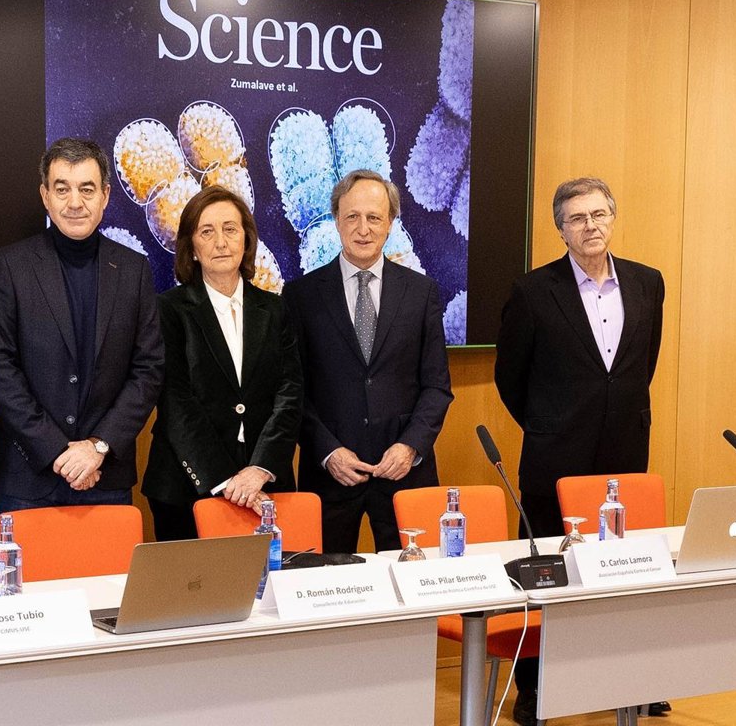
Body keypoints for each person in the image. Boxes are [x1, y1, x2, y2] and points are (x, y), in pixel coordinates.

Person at [494, 176, 665, 725]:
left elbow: (641, 366)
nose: (590, 226)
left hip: (624, 454)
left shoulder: (647, 282)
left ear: (612, 218)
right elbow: (509, 378)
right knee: (544, 572)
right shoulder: (531, 292)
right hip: (554, 456)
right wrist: (550, 425)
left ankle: (627, 679)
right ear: (561, 229)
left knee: (624, 569)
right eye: (577, 218)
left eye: (598, 215)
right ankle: (534, 688)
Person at [0, 138, 163, 521]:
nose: (74, 202)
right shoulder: (9, 267)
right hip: (26, 480)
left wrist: (97, 446)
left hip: (105, 475)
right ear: (45, 196)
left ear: (105, 195)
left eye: (87, 189)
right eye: (62, 189)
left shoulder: (134, 270)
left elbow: (148, 369)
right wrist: (57, 450)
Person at [283, 169, 453, 554]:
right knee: (325, 584)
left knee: (410, 583)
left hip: (404, 475)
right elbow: (293, 392)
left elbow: (437, 387)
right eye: (352, 217)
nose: (363, 229)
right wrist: (328, 452)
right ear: (336, 221)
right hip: (331, 477)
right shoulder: (300, 296)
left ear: (390, 223)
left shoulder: (421, 292)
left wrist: (410, 447)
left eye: (374, 217)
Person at [142, 186, 302, 540]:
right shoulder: (168, 310)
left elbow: (289, 394)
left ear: (246, 240)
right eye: (206, 232)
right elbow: (175, 401)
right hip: (186, 488)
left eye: (230, 229)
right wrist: (227, 481)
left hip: (264, 483)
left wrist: (260, 469)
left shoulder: (274, 309)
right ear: (192, 248)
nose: (220, 242)